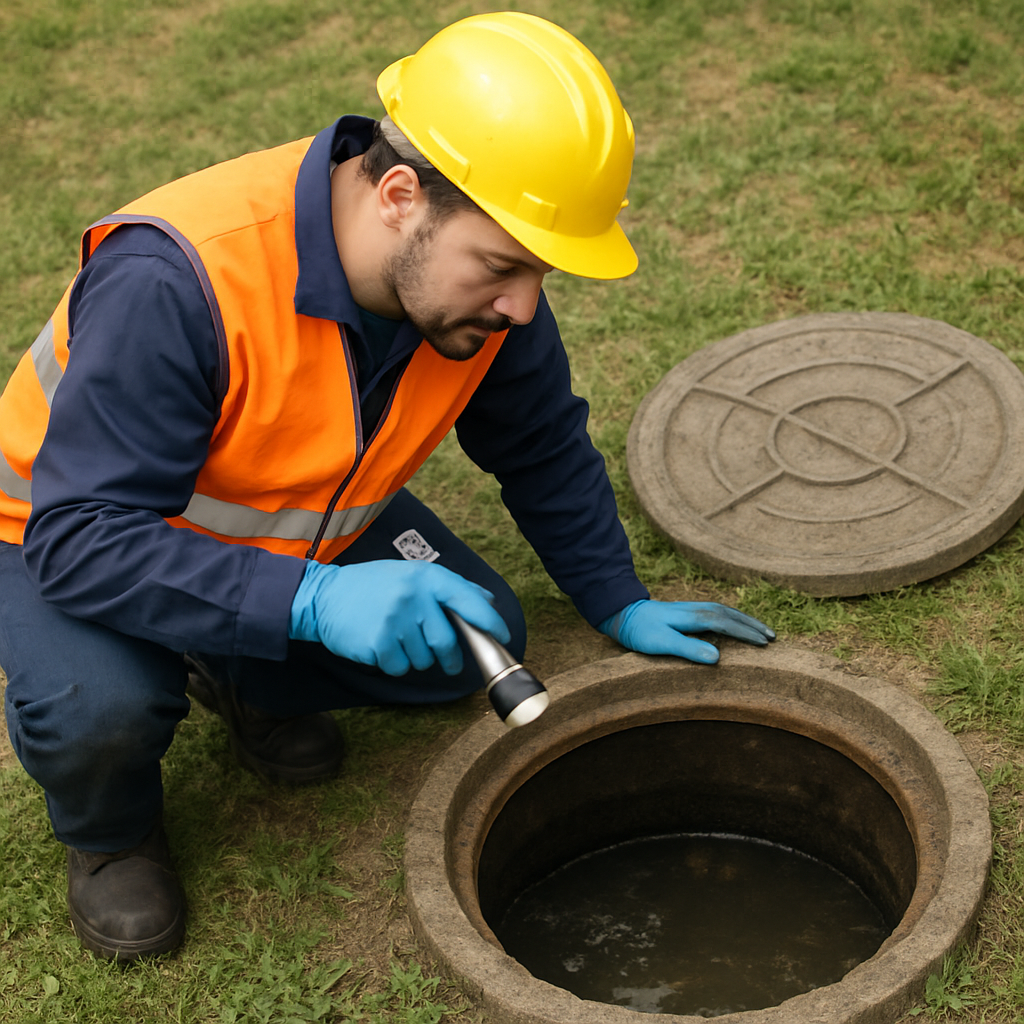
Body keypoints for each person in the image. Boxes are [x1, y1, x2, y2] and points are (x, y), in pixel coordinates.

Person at [0, 12, 774, 960]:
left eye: (538, 272)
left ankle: (236, 671)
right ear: (400, 194)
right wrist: (315, 599)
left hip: (289, 516)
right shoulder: (176, 280)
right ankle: (111, 835)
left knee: (477, 640)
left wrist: (617, 600)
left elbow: (539, 445)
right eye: (502, 267)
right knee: (103, 710)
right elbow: (81, 535)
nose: (524, 308)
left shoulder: (482, 295)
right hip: (64, 532)